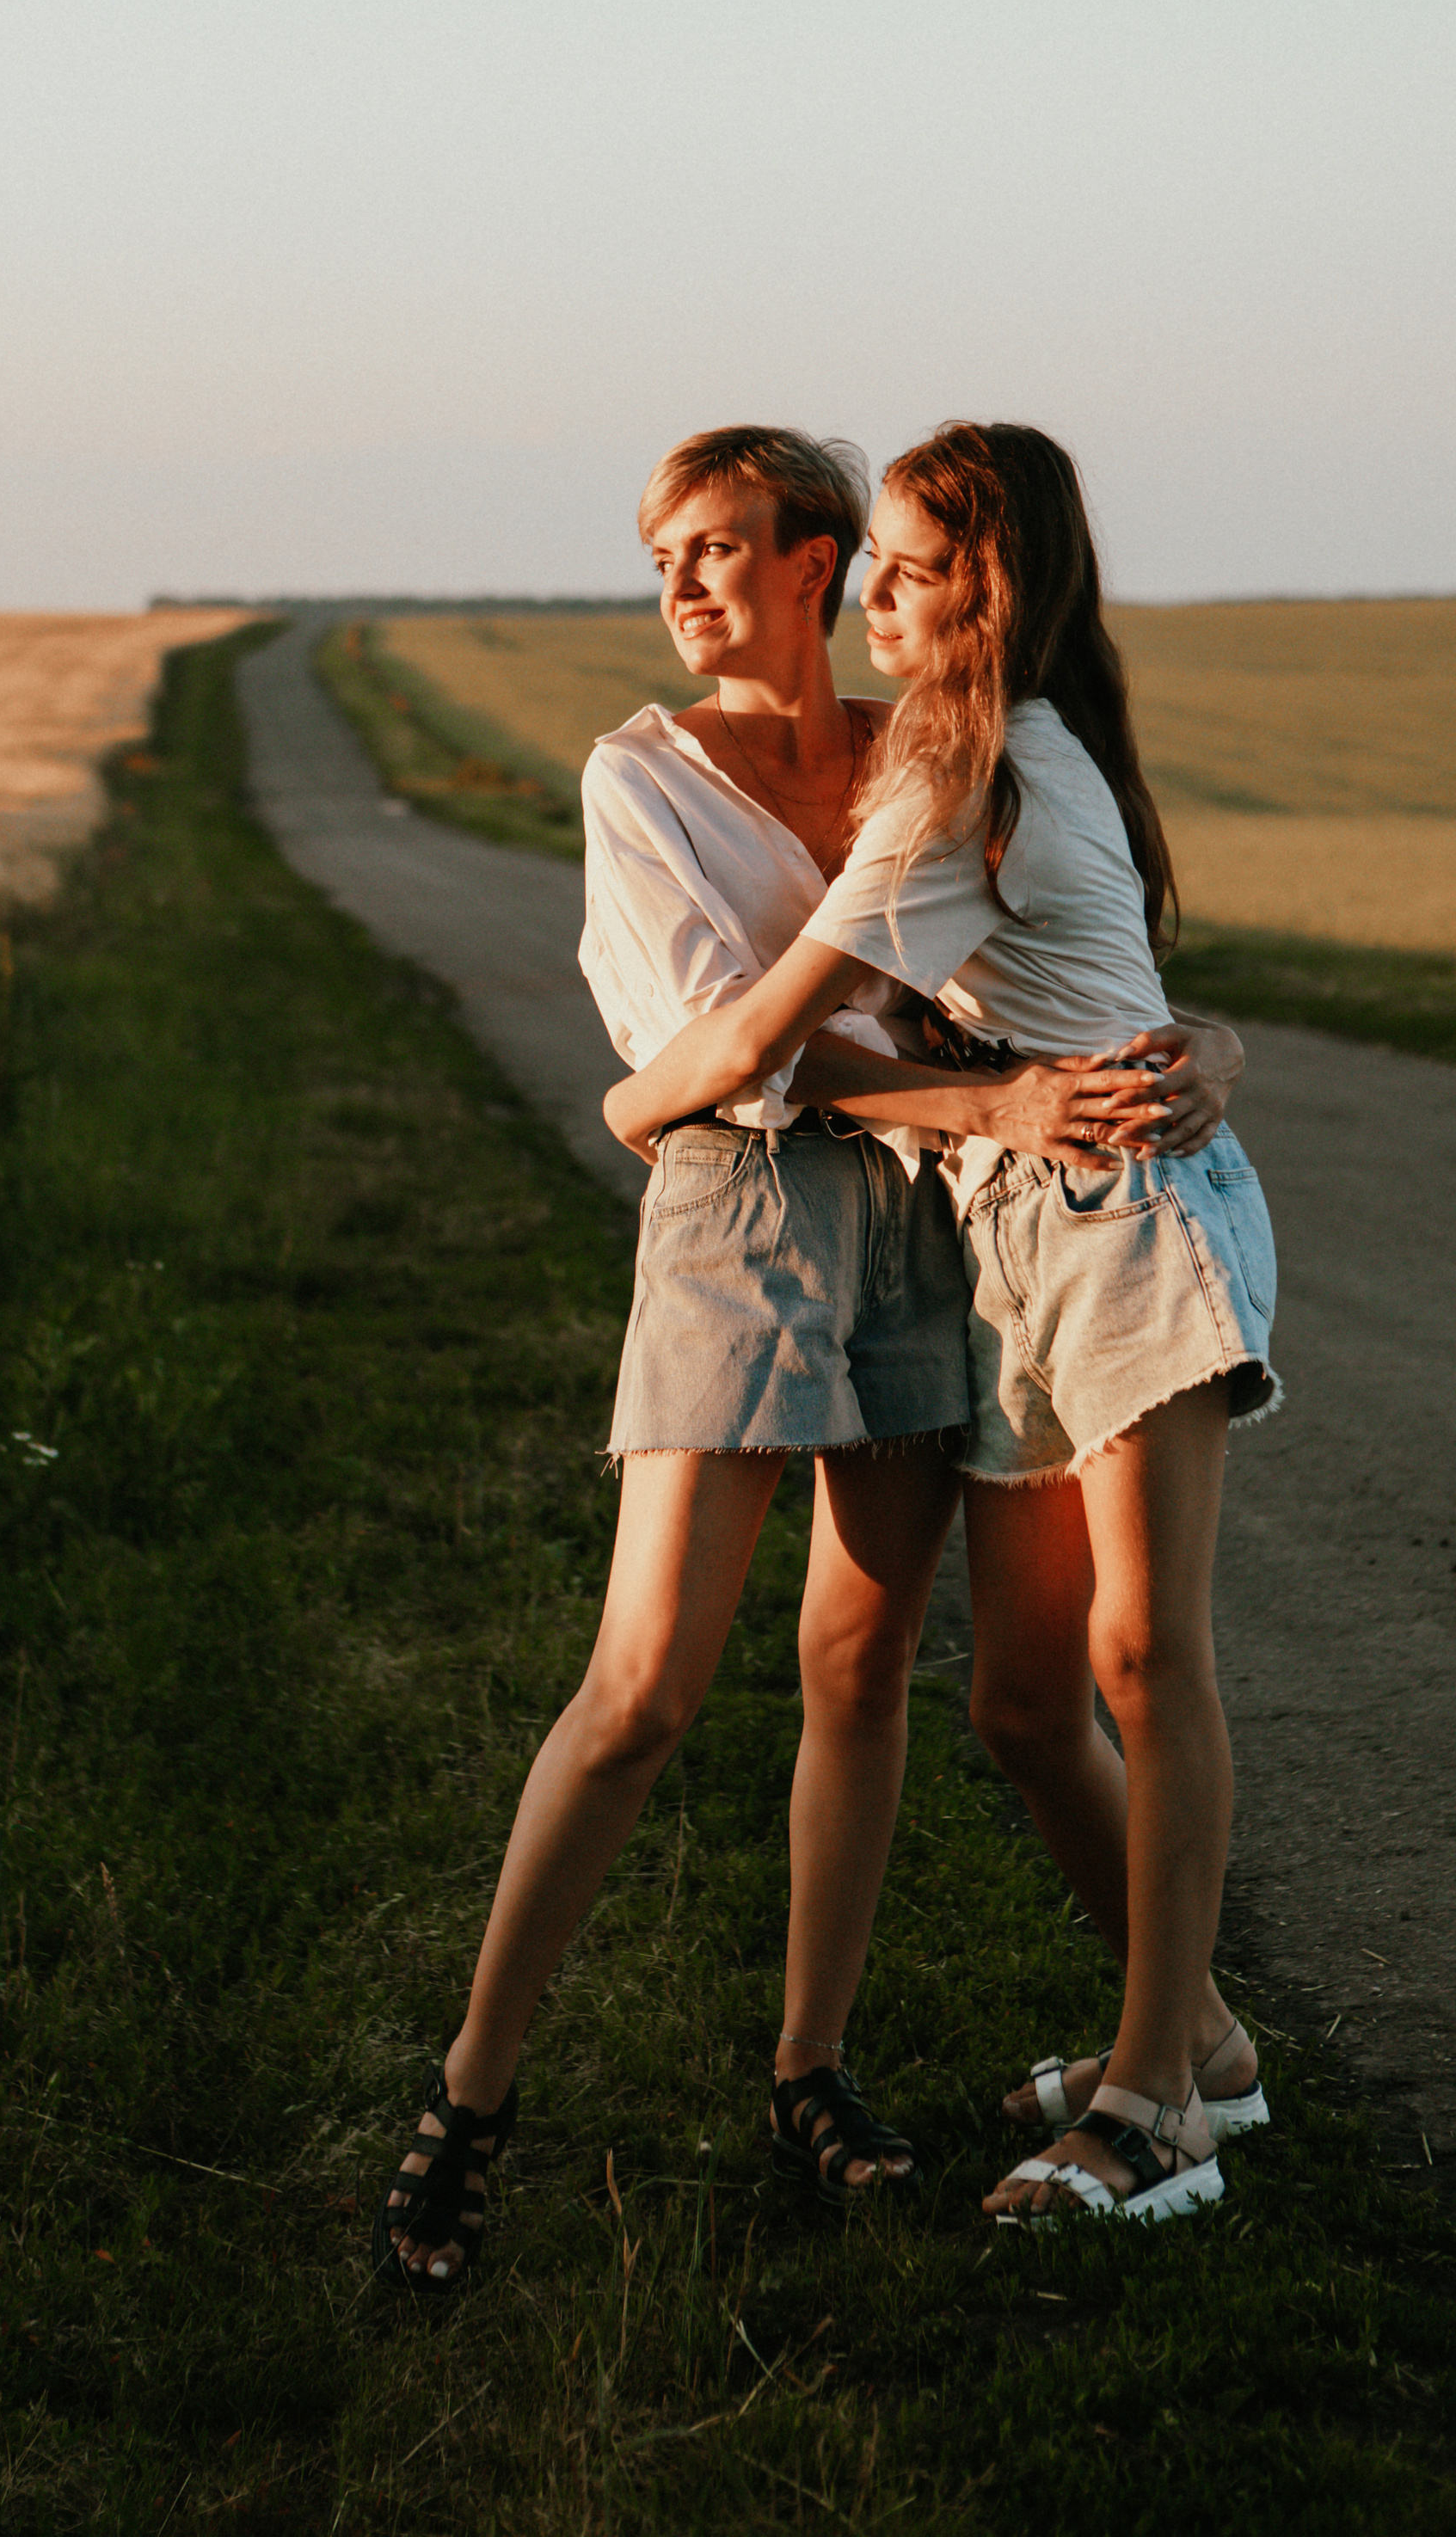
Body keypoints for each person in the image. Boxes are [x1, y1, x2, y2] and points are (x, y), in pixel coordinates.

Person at [372, 426, 1242, 2297]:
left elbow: (1049, 969)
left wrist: (1187, 1053)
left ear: (815, 559)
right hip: (745, 1216)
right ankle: (470, 2092)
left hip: (931, 1227)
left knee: (859, 1662)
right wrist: (716, 1099)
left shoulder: (922, 743)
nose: (681, 585)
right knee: (640, 1690)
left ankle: (814, 2069)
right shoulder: (639, 776)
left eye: (714, 546)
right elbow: (739, 1043)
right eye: (660, 558)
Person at [603, 421, 1280, 2225]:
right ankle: (1203, 2041)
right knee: (1020, 1699)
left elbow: (765, 1035)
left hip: (1121, 1223)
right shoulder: (989, 754)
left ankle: (1156, 2105)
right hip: (1012, 1234)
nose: (876, 602)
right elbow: (1071, 1001)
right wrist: (1193, 1046)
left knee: (1143, 1658)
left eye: (907, 574)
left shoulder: (957, 772)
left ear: (983, 590)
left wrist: (630, 1100)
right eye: (875, 568)